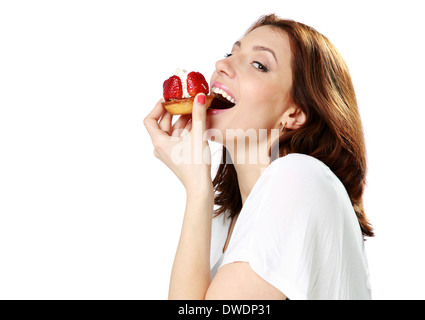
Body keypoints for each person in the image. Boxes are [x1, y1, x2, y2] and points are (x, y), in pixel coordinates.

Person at [144, 14, 373, 300]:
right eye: (231, 53)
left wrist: (197, 190)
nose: (221, 65)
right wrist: (199, 192)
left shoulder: (300, 176)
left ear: (294, 114)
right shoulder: (226, 222)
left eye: (259, 64)